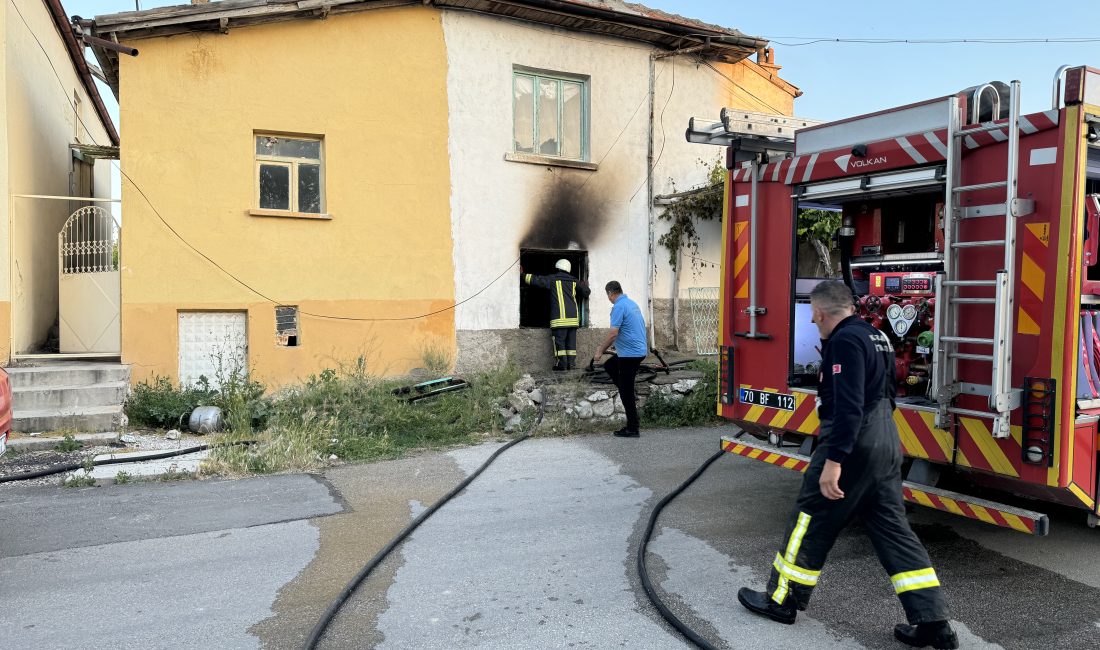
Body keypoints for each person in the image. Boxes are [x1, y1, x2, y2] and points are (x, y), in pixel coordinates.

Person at [737, 280, 957, 650]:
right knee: (893, 532)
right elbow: (886, 393)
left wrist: (834, 461)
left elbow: (849, 405)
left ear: (822, 313)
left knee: (810, 518)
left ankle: (781, 599)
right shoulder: (877, 336)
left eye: (813, 318)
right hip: (886, 440)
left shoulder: (844, 341)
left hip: (853, 441)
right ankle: (933, 622)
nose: (814, 323)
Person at [591, 281, 647, 438]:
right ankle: (626, 388)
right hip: (637, 350)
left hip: (631, 354)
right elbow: (632, 328)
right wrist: (618, 347)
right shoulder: (631, 304)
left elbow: (613, 333)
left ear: (610, 293)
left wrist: (600, 351)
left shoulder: (618, 307)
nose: (608, 298)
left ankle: (632, 428)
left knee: (625, 392)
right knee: (610, 366)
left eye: (607, 295)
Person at [523, 259, 590, 370]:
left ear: (558, 268)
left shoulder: (553, 279)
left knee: (559, 343)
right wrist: (584, 285)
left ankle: (562, 364)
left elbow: (537, 280)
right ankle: (571, 364)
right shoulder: (575, 281)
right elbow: (586, 293)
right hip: (573, 320)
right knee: (571, 343)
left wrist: (523, 275)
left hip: (559, 320)